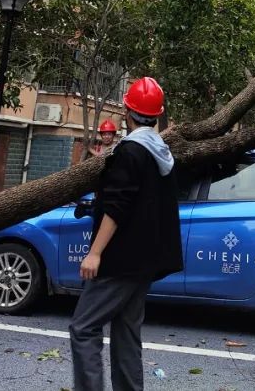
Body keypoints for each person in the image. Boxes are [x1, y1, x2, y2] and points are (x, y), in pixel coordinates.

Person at [69, 77, 182, 391]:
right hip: (145, 262)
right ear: (157, 116)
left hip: (119, 261)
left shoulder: (130, 151)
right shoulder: (162, 154)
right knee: (126, 333)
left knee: (83, 328)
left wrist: (95, 252)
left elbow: (118, 206)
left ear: (128, 112)